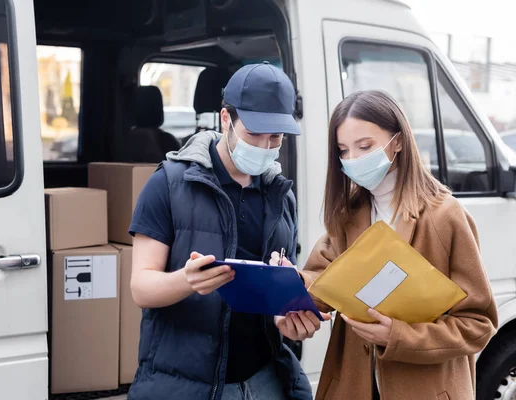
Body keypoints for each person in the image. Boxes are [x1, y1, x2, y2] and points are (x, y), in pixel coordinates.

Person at [272, 90, 498, 400]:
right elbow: (322, 281)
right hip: (352, 385)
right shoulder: (349, 213)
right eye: (343, 150)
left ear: (399, 141)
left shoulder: (445, 216)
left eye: (365, 146)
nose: (353, 159)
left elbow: (478, 324)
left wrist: (400, 336)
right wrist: (292, 284)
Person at [127, 62, 328, 400]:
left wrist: (287, 317)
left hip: (265, 381)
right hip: (188, 385)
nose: (265, 146)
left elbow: (279, 287)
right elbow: (141, 288)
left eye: (275, 137)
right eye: (254, 133)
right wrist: (186, 280)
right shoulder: (169, 183)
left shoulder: (281, 196)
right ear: (225, 119)